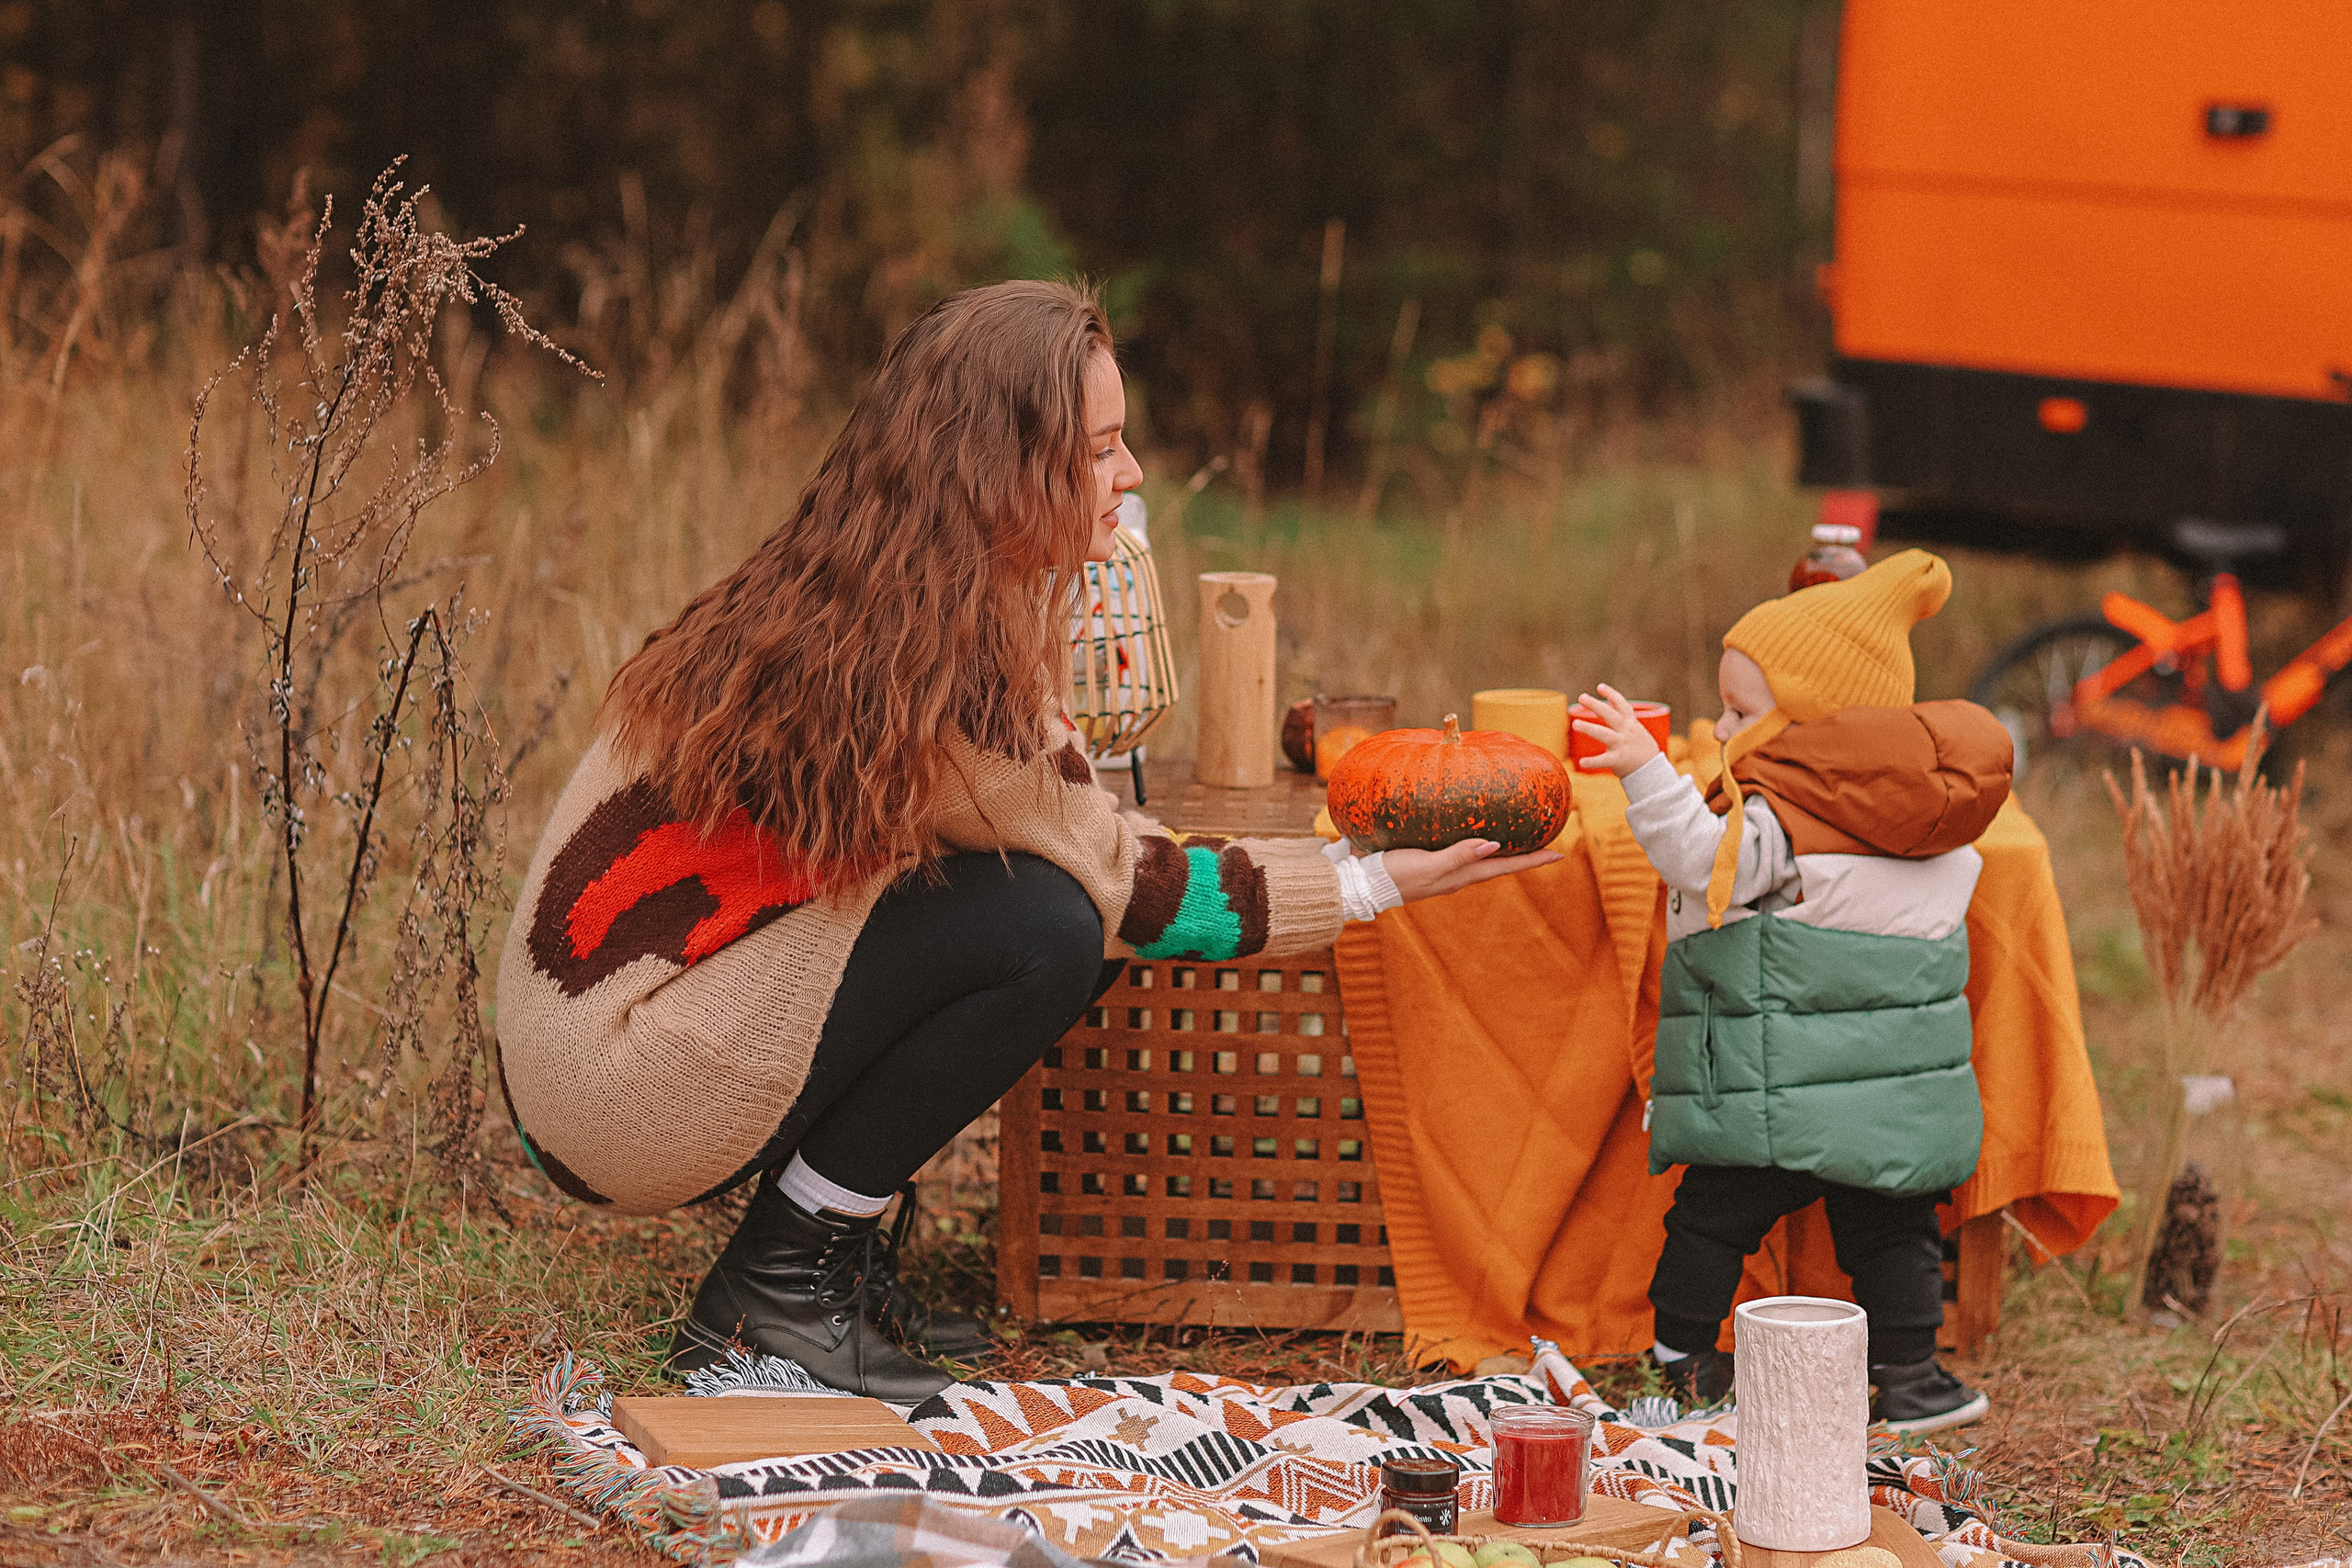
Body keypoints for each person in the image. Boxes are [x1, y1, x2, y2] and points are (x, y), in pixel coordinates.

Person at [493, 280, 1559, 1403]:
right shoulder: (940, 673)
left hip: (596, 1059)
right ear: (1003, 469)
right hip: (628, 1093)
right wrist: (1371, 881)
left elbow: (1076, 828)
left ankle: (820, 1261)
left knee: (1039, 893)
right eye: (1099, 451)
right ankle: (777, 1291)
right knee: (1045, 925)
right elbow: (1134, 889)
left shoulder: (859, 587)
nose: (1131, 473)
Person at [1571, 549, 2012, 1436]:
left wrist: (1646, 770)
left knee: (1711, 1216)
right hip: (1887, 1090)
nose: (1724, 727)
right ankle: (1911, 1377)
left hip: (1778, 1083)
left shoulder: (1786, 816)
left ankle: (1684, 1360)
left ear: (1815, 720)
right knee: (1894, 1224)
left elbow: (1702, 862)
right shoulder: (1925, 811)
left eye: (1741, 711)